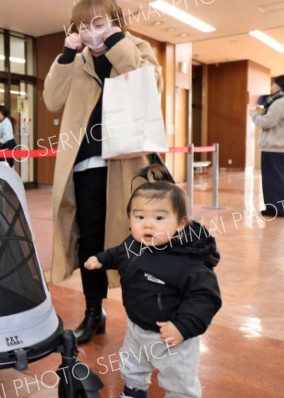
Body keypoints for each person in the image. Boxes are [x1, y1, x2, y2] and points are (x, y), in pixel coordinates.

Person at [43, 0, 163, 343]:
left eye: (97, 22)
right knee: (91, 244)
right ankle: (94, 312)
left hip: (126, 166)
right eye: (81, 25)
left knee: (135, 240)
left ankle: (144, 318)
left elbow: (148, 84)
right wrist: (66, 55)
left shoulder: (135, 48)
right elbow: (51, 99)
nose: (89, 31)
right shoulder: (74, 60)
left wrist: (114, 43)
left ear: (113, 19)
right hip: (85, 167)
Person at [85, 165, 222, 398]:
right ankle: (133, 391)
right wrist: (101, 259)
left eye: (159, 218)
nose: (148, 224)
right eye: (139, 217)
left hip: (172, 336)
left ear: (181, 224)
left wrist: (182, 327)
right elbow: (119, 253)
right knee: (131, 364)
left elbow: (206, 297)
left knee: (178, 377)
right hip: (137, 327)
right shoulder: (134, 244)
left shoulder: (188, 260)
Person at [249, 75, 284, 218]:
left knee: (273, 179)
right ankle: (275, 207)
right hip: (279, 147)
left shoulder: (280, 102)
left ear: (280, 86)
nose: (271, 87)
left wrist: (253, 114)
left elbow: (267, 122)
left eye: (273, 84)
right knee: (276, 178)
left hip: (273, 147)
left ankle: (277, 209)